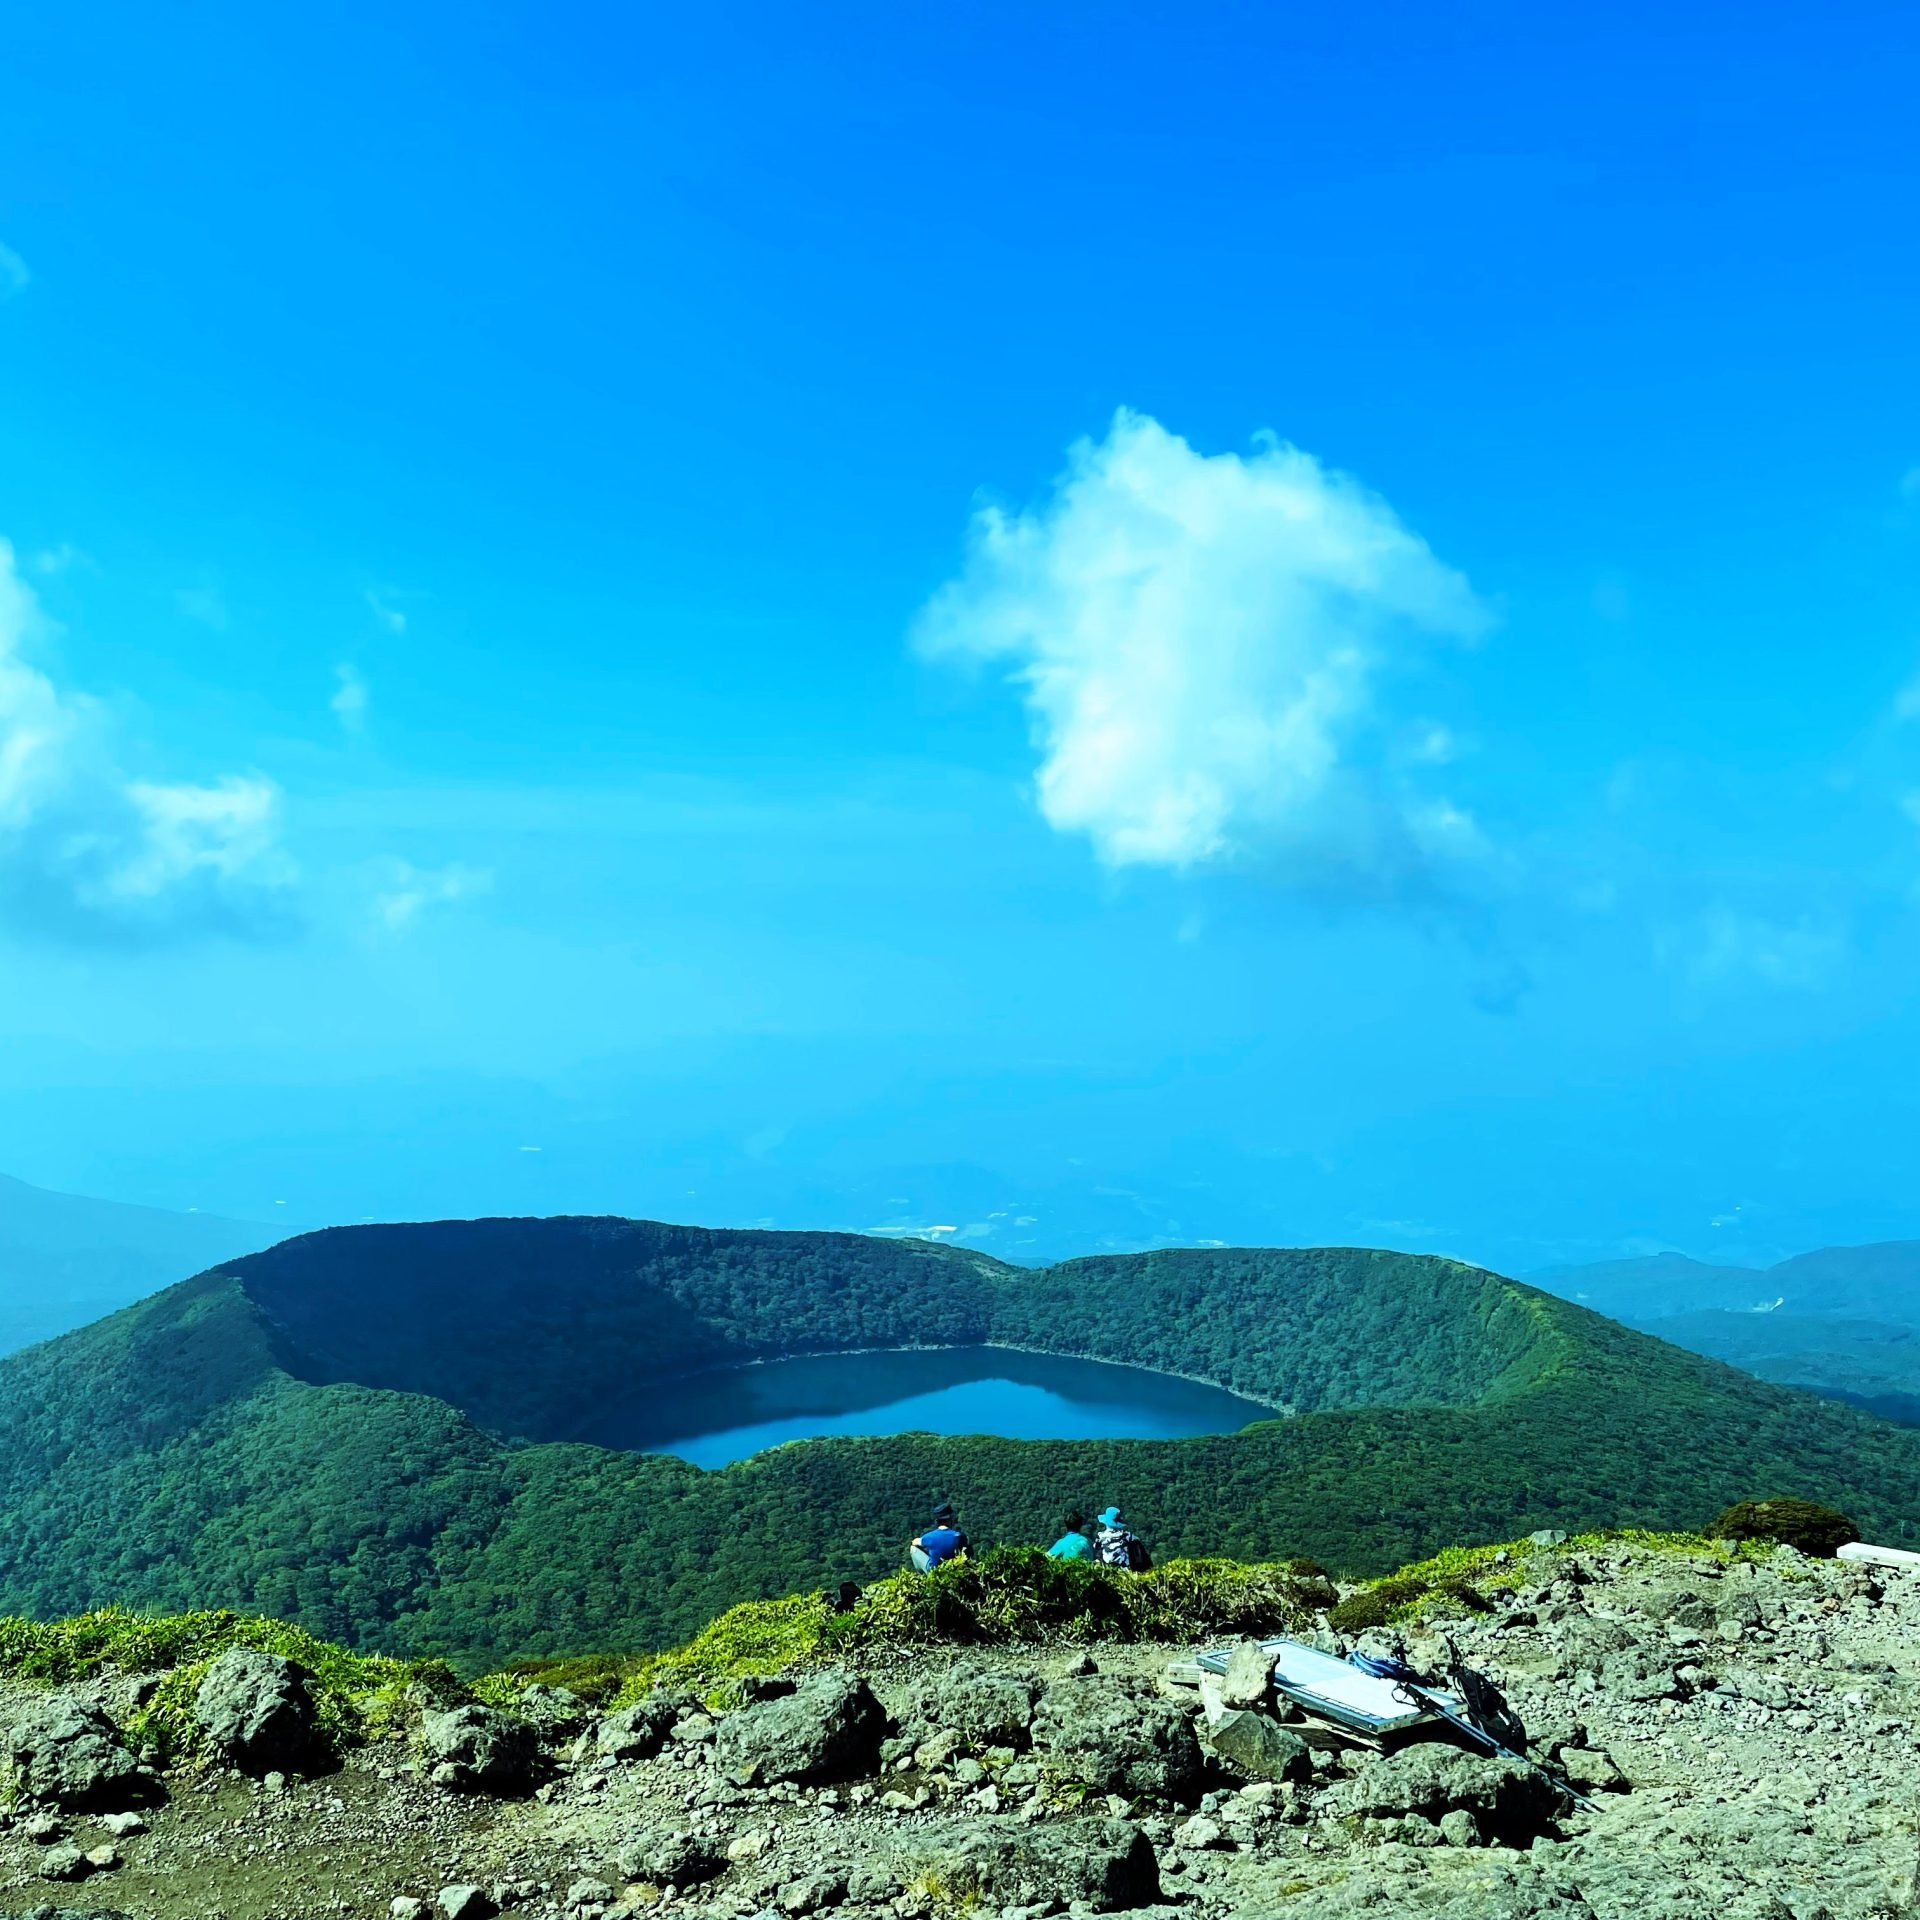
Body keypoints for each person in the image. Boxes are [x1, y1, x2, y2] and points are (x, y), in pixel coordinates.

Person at [910, 1501, 970, 1573]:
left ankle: (922, 1576)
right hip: (955, 1569)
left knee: (913, 1548)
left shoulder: (928, 1537)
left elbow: (914, 1542)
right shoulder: (960, 1536)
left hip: (936, 1572)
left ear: (937, 1521)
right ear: (950, 1519)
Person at [1092, 1505, 1152, 1571]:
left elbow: (1096, 1556)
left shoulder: (1100, 1538)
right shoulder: (1129, 1538)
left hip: (1107, 1573)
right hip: (1128, 1573)